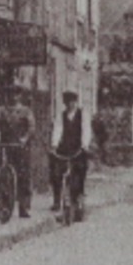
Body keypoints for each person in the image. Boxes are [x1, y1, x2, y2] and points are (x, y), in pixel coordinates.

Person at [0, 84, 35, 219]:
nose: (13, 97)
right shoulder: (2, 110)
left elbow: (31, 128)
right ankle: (3, 204)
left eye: (16, 94)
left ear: (20, 96)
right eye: (11, 94)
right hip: (6, 145)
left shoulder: (26, 111)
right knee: (3, 174)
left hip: (21, 147)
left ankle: (24, 207)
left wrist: (25, 138)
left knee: (23, 176)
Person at [50, 91, 87, 221]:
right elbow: (58, 129)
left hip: (78, 149)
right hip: (65, 148)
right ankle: (57, 201)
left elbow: (86, 130)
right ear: (65, 103)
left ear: (75, 102)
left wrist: (84, 145)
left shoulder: (83, 115)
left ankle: (78, 202)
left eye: (72, 101)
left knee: (79, 175)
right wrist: (54, 145)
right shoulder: (61, 116)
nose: (70, 104)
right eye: (67, 102)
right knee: (57, 173)